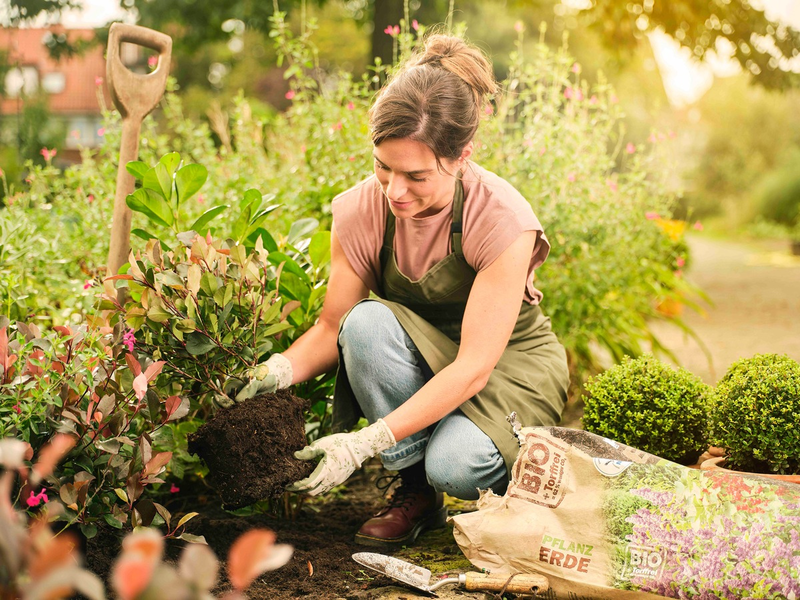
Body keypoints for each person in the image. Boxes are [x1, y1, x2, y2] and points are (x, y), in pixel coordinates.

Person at [235, 33, 570, 550]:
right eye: (382, 167)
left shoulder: (501, 219)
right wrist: (275, 371)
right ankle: (416, 491)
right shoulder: (360, 211)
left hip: (506, 365)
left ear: (461, 157)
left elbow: (473, 367)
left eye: (416, 175)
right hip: (422, 354)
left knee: (456, 466)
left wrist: (368, 441)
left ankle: (514, 480)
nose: (394, 191)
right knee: (363, 324)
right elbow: (331, 327)